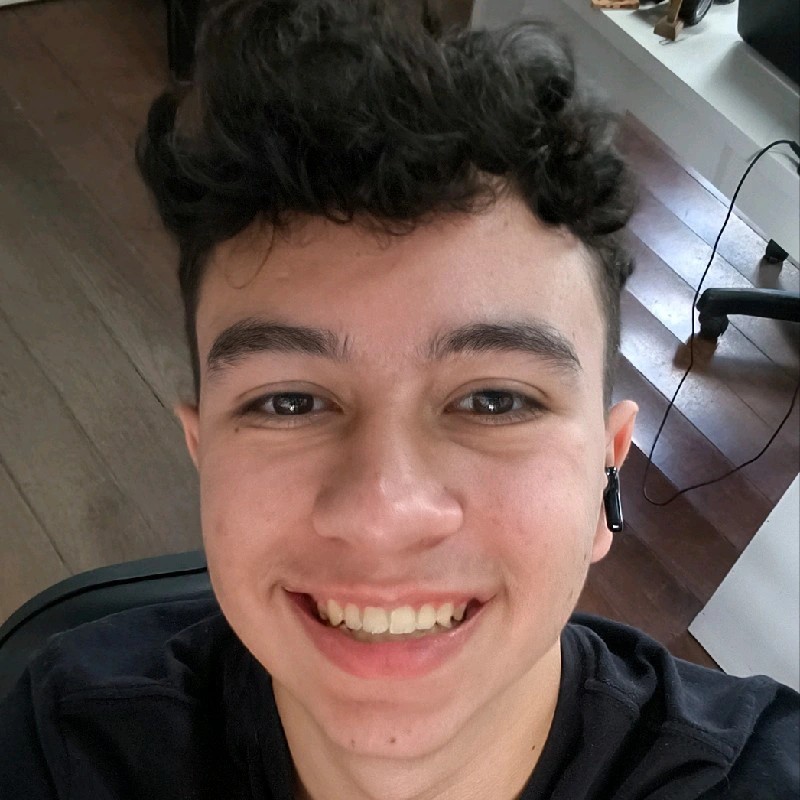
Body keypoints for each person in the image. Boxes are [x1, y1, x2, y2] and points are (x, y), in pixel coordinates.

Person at [1, 1, 797, 798]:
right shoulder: (68, 749)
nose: (382, 512)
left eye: (494, 400)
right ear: (203, 453)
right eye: (288, 403)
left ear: (605, 474)